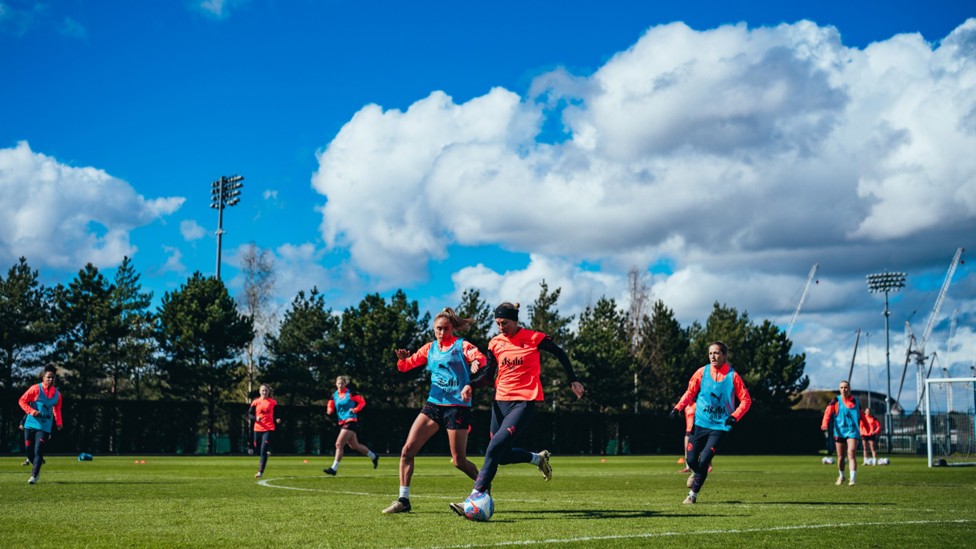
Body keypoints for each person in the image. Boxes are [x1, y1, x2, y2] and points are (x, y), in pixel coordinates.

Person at [449, 302, 585, 520]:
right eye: (498, 323)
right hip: (499, 403)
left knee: (493, 447)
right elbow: (488, 374)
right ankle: (537, 459)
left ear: (515, 321)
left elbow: (560, 353)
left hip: (524, 402)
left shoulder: (533, 338)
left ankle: (474, 497)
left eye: (505, 323)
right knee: (501, 455)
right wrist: (470, 384)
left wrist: (573, 380)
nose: (501, 327)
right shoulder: (495, 343)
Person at [382, 308, 489, 514]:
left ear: (452, 328)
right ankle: (403, 500)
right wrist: (402, 359)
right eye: (438, 329)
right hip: (433, 405)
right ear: (433, 329)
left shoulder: (460, 345)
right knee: (407, 451)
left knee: (458, 461)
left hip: (457, 407)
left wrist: (475, 361)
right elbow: (406, 367)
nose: (442, 332)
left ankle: (483, 488)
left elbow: (479, 358)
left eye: (446, 329)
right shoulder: (430, 348)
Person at [668, 341, 751, 504]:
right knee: (691, 460)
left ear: (724, 356)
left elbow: (746, 400)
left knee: (705, 460)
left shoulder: (733, 376)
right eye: (710, 353)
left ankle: (692, 495)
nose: (713, 356)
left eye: (717, 353)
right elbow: (690, 392)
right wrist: (677, 408)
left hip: (720, 427)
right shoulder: (701, 372)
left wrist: (734, 416)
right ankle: (697, 473)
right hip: (700, 424)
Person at [323, 375, 379, 475]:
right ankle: (373, 456)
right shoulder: (334, 395)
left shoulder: (351, 393)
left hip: (351, 420)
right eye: (339, 383)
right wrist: (329, 410)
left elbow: (362, 402)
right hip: (342, 421)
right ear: (336, 384)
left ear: (345, 384)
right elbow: (330, 404)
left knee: (339, 444)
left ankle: (334, 469)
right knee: (354, 445)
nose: (340, 385)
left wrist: (355, 409)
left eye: (342, 383)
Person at [18, 364, 63, 484]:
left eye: (52, 377)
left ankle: (34, 475)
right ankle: (37, 465)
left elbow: (57, 409)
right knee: (29, 449)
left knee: (38, 450)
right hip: (30, 424)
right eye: (48, 377)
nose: (50, 380)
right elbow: (22, 401)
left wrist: (59, 422)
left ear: (55, 379)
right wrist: (32, 411)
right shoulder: (35, 389)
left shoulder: (57, 395)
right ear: (43, 378)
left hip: (44, 426)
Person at [822, 380, 866, 485]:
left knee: (851, 452)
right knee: (841, 457)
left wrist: (867, 428)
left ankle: (852, 479)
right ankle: (841, 476)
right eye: (841, 387)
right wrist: (825, 423)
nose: (843, 389)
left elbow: (862, 416)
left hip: (852, 432)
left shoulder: (856, 402)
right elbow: (828, 412)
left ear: (849, 389)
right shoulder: (835, 401)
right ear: (839, 389)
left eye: (845, 387)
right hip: (839, 432)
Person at [248, 383, 281, 478]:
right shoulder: (255, 402)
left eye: (266, 390)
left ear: (269, 392)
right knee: (257, 448)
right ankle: (266, 453)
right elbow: (249, 414)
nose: (264, 392)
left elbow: (278, 414)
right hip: (257, 428)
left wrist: (277, 419)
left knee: (263, 450)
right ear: (259, 391)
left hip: (269, 428)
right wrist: (255, 418)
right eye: (263, 390)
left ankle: (260, 472)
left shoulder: (273, 402)